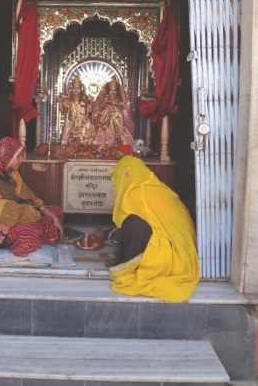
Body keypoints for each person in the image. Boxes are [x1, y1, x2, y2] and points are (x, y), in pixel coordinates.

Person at [109, 156, 200, 302]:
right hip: (185, 250)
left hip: (168, 253)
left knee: (132, 224)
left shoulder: (134, 193)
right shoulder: (159, 188)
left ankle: (127, 267)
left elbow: (126, 226)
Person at [0, 137, 65, 261]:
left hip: (18, 212)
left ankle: (43, 228)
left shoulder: (12, 173)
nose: (22, 160)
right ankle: (40, 231)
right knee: (28, 229)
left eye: (22, 156)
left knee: (56, 211)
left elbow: (30, 197)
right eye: (18, 156)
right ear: (6, 156)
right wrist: (24, 211)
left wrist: (53, 217)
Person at [91, 75, 135, 147]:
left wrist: (118, 111)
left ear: (118, 91)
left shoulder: (120, 101)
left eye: (115, 90)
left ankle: (117, 145)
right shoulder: (104, 100)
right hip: (105, 122)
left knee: (119, 132)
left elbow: (125, 112)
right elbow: (97, 109)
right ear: (108, 91)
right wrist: (104, 109)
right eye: (111, 90)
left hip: (117, 122)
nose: (113, 92)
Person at [58, 74, 94, 147]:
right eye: (74, 88)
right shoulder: (68, 99)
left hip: (83, 122)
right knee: (67, 126)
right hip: (71, 122)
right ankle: (67, 146)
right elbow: (62, 110)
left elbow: (90, 112)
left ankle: (86, 146)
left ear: (81, 89)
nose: (76, 90)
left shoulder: (85, 100)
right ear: (71, 89)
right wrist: (60, 102)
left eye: (78, 88)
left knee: (89, 125)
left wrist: (91, 104)